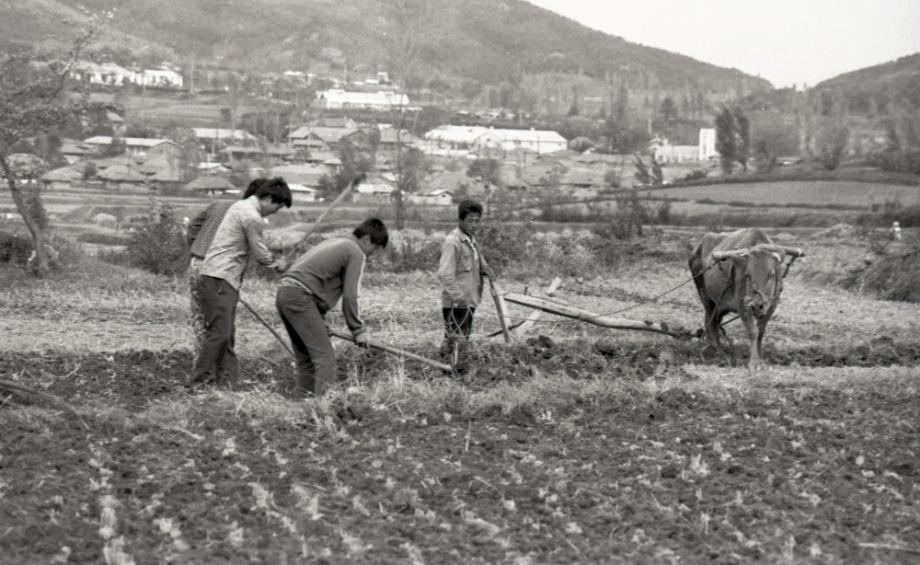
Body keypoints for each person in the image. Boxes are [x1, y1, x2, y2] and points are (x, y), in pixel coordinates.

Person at [190, 177, 293, 386]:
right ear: (268, 198)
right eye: (276, 207)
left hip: (223, 279)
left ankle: (227, 383)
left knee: (226, 334)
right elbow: (260, 252)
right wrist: (277, 264)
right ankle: (198, 382)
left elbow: (255, 240)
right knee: (220, 334)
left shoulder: (240, 207)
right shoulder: (251, 216)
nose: (274, 213)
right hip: (219, 277)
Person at [275, 218, 388, 396]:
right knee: (325, 359)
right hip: (300, 297)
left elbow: (315, 282)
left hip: (286, 294)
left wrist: (319, 321)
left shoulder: (333, 242)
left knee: (306, 357)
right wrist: (358, 330)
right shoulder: (355, 251)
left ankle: (300, 403)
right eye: (374, 249)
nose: (371, 255)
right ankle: (323, 409)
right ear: (366, 240)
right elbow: (351, 296)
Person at [186, 179, 264, 362]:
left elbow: (193, 227)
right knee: (221, 324)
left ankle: (201, 363)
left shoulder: (219, 204)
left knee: (200, 318)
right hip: (219, 272)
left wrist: (196, 248)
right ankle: (214, 371)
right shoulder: (250, 217)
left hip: (197, 264)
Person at [437, 200, 494, 364]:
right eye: (470, 221)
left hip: (469, 300)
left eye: (477, 221)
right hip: (457, 303)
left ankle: (456, 368)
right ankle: (449, 370)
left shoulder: (471, 241)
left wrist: (486, 269)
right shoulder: (453, 242)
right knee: (455, 341)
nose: (474, 225)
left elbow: (478, 261)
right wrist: (458, 297)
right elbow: (445, 275)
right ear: (460, 220)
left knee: (463, 340)